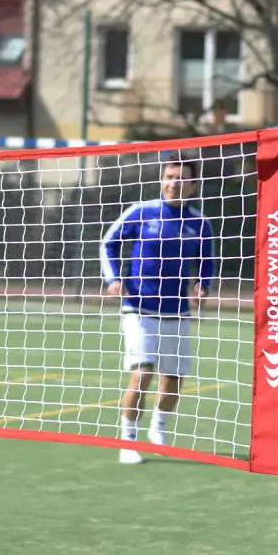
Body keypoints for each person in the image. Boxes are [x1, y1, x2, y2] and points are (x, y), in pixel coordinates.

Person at [99, 152, 215, 464]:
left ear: (193, 186)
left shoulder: (200, 223)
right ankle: (128, 441)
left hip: (177, 311)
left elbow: (206, 261)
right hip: (139, 308)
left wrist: (203, 285)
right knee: (143, 373)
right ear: (162, 181)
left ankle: (158, 428)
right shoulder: (141, 212)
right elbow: (108, 243)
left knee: (173, 379)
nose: (175, 183)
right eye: (170, 177)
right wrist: (113, 279)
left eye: (183, 179)